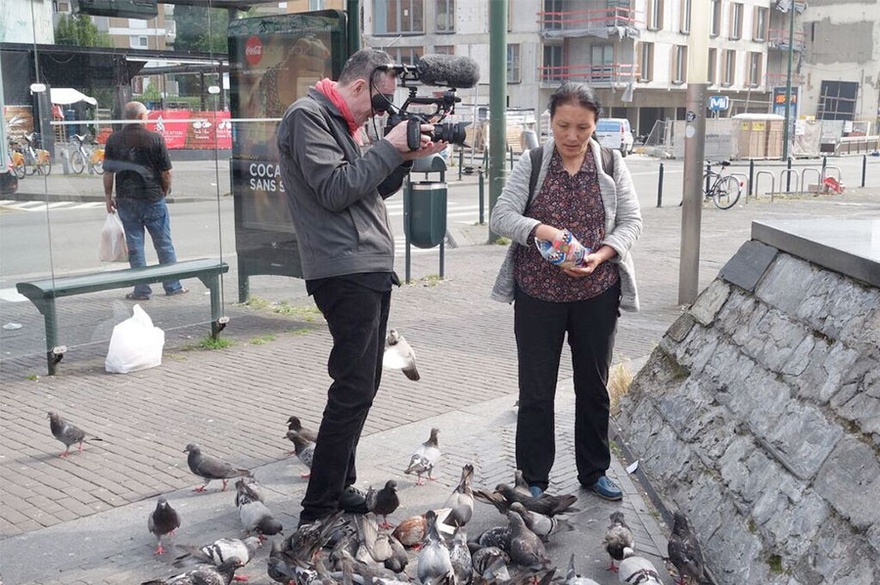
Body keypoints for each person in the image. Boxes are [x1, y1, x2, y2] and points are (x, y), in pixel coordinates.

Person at [276, 48, 446, 527]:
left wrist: (405, 156)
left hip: (365, 266)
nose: (381, 114)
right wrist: (389, 146)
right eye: (379, 103)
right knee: (352, 386)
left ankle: (339, 484)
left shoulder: (343, 124)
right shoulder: (307, 117)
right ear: (357, 86)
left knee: (364, 383)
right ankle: (319, 506)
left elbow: (369, 188)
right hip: (342, 269)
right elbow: (334, 190)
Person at [489, 82, 642, 502]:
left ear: (595, 126)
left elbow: (631, 221)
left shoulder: (611, 163)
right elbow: (501, 216)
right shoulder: (534, 162)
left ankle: (594, 471)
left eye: (583, 127)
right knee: (536, 390)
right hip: (537, 295)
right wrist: (539, 229)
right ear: (550, 121)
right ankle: (534, 477)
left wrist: (602, 255)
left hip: (597, 292)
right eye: (563, 126)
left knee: (593, 387)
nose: (572, 137)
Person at [103, 101, 187, 300]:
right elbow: (166, 172)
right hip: (152, 198)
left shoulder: (114, 140)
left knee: (135, 246)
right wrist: (163, 191)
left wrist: (108, 197)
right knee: (164, 244)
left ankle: (142, 290)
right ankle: (173, 286)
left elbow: (108, 172)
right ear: (141, 117)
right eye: (146, 115)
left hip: (126, 199)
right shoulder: (155, 139)